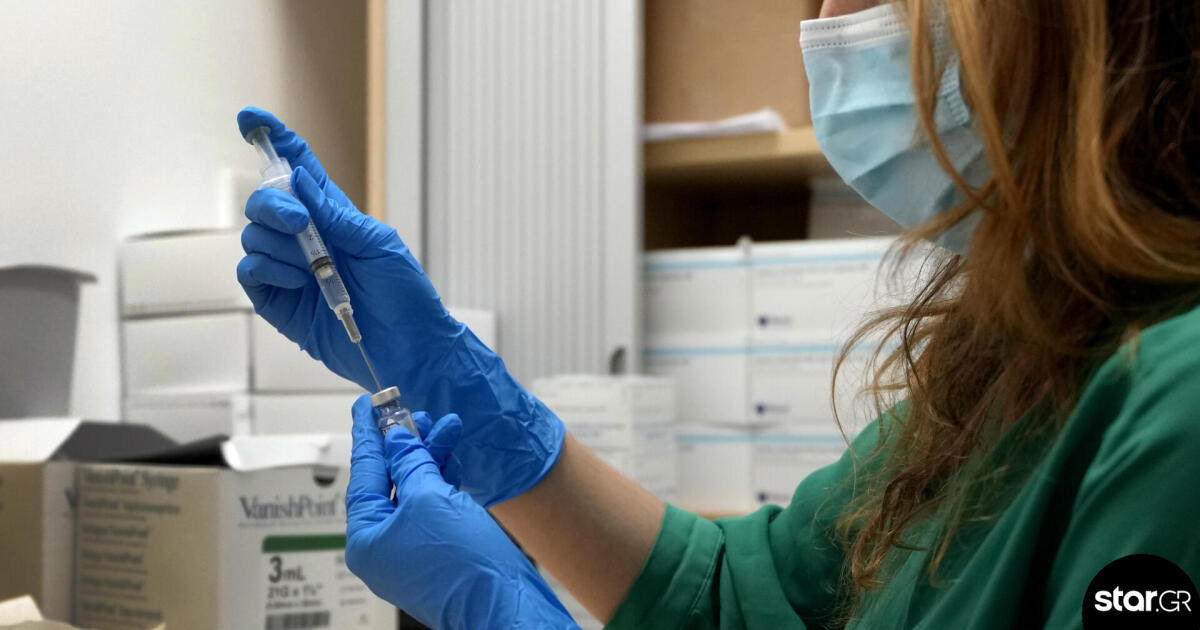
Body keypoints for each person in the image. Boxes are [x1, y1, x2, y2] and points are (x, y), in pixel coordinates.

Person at [235, 0, 1200, 627]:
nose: (828, 25)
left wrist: (507, 610)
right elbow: (741, 598)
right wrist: (460, 392)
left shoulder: (1179, 403)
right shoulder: (1020, 355)